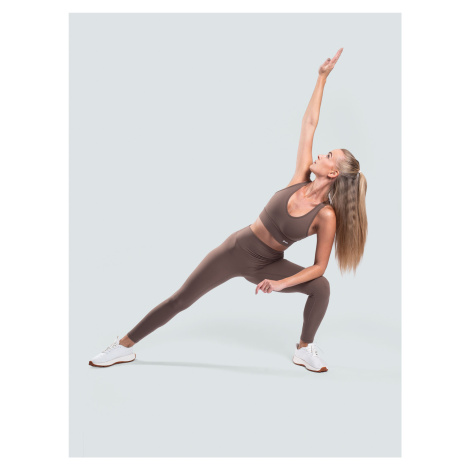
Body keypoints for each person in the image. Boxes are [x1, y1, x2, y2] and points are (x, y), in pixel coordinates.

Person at [89, 47, 368, 373]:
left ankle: (305, 349)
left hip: (269, 265)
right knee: (181, 299)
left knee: (321, 287)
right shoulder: (299, 178)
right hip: (236, 250)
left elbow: (319, 267)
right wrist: (321, 78)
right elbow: (309, 124)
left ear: (333, 174)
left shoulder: (325, 215)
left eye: (328, 156)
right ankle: (122, 347)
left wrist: (280, 283)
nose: (320, 154)